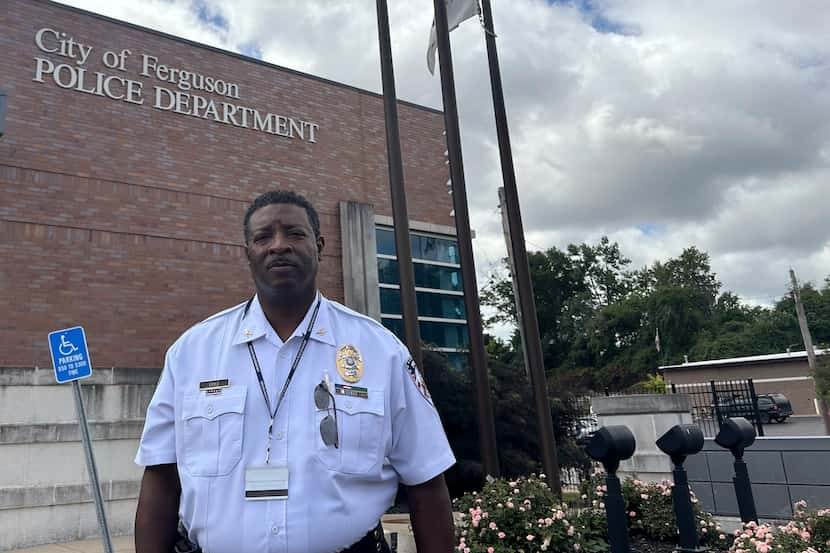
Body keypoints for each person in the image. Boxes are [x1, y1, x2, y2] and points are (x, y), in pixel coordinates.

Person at [134, 190, 456, 553]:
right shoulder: (192, 353)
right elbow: (161, 477)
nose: (278, 245)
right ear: (248, 253)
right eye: (262, 237)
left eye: (294, 233)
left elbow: (426, 481)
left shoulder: (381, 351)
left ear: (319, 246)